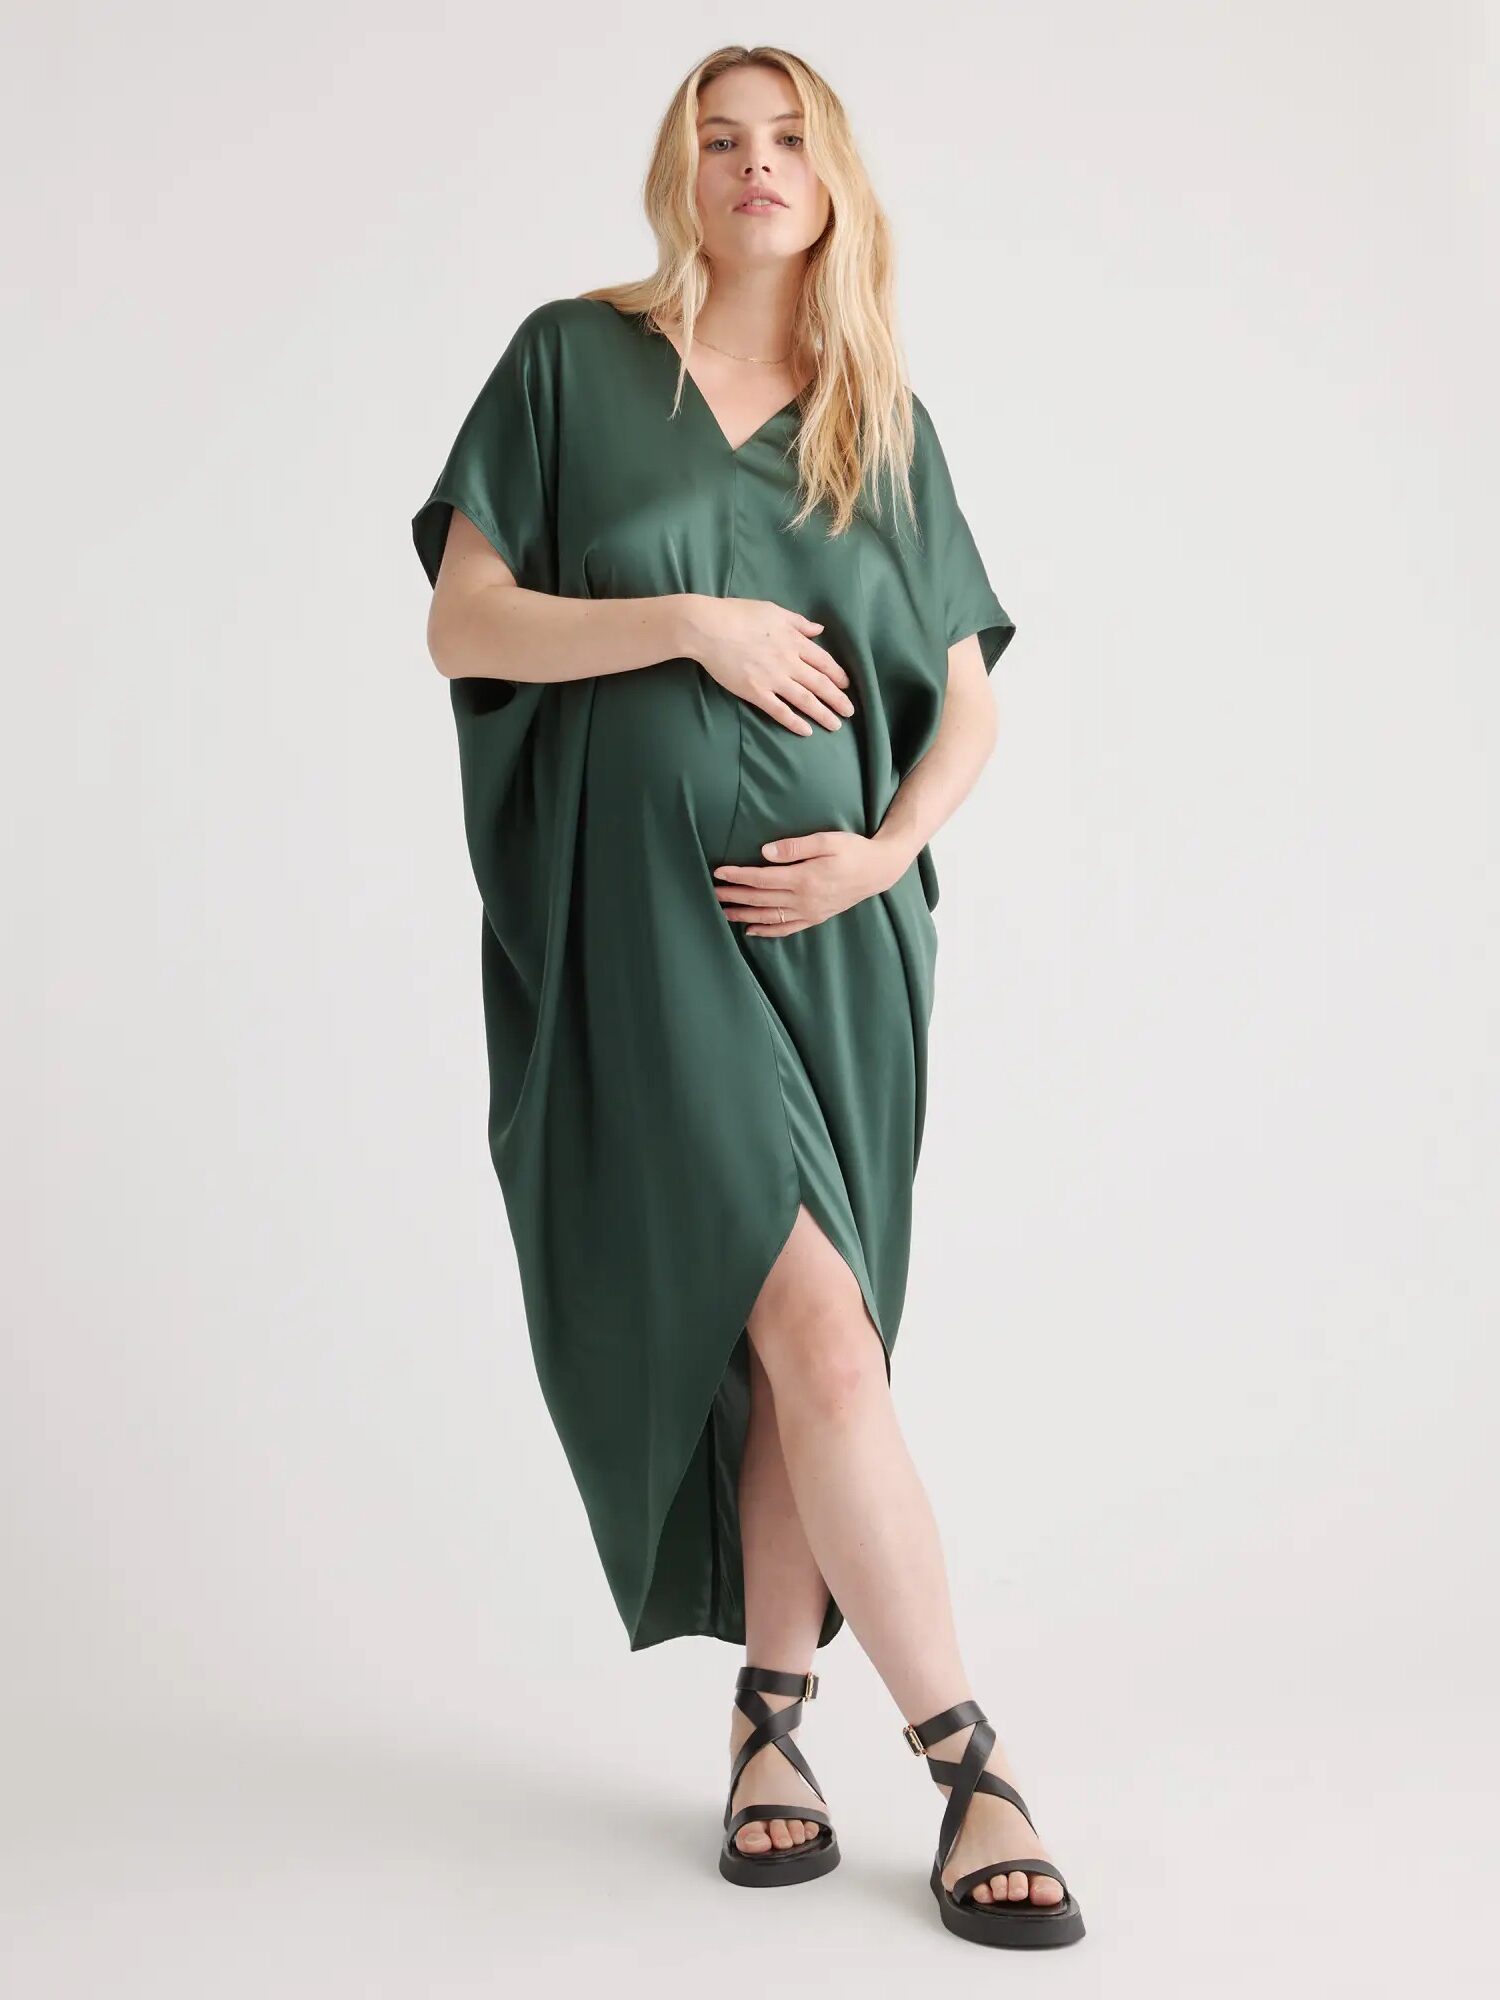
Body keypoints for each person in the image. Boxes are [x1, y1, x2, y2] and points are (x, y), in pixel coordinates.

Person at [410, 43, 1084, 1951]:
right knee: (812, 1319)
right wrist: (683, 624)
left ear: (836, 175)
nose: (754, 165)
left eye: (787, 137)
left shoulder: (883, 418)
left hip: (847, 946)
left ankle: (772, 1728)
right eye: (720, 139)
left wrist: (885, 854)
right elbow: (466, 618)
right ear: (676, 176)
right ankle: (970, 1759)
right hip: (640, 934)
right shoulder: (571, 364)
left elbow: (969, 696)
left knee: (810, 1340)